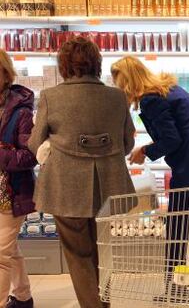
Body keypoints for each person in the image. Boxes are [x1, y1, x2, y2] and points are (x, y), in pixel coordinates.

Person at [111, 56, 189, 302]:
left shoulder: (151, 100)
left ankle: (175, 288)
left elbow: (171, 140)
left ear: (128, 82)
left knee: (177, 226)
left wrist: (145, 151)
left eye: (119, 83)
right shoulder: (167, 87)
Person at [28, 37, 136, 308]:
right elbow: (128, 143)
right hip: (109, 185)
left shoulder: (51, 97)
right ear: (97, 63)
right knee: (102, 250)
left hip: (65, 186)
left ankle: (93, 305)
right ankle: (104, 301)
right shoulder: (117, 96)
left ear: (63, 65)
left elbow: (33, 142)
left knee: (78, 253)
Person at [0, 50, 36, 308]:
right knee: (8, 249)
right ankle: (23, 297)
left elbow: (28, 156)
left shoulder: (21, 112)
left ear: (4, 74)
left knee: (0, 252)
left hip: (11, 192)